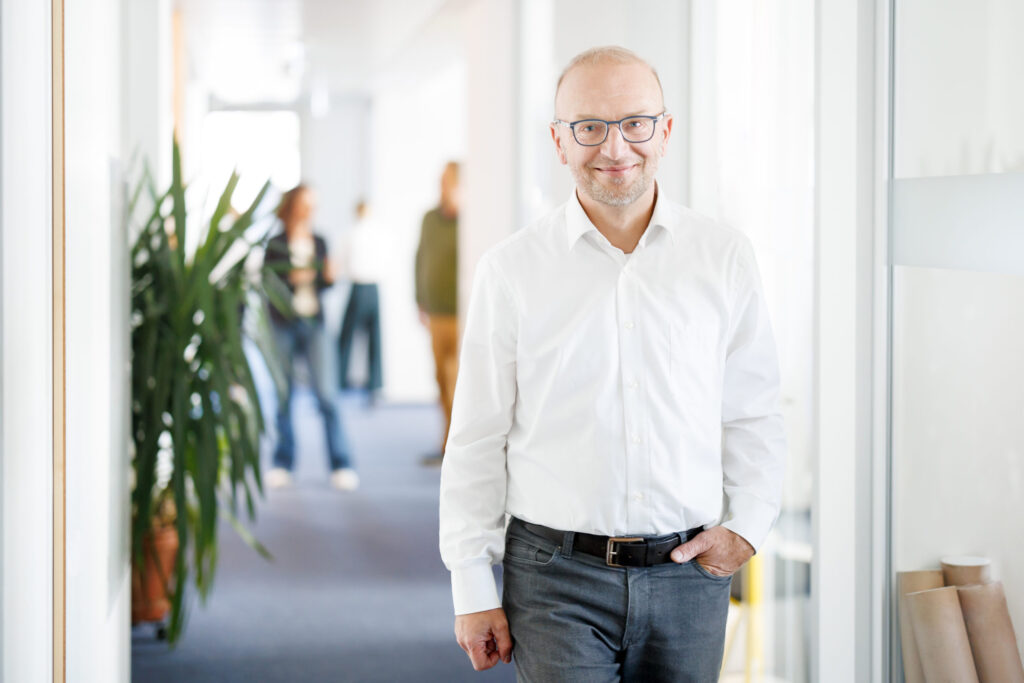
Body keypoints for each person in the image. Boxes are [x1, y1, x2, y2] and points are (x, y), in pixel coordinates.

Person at [438, 46, 786, 681]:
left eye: (635, 123)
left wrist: (750, 525)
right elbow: (477, 435)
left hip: (690, 572)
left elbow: (755, 411)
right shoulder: (512, 270)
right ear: (559, 141)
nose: (616, 147)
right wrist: (471, 586)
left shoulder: (723, 257)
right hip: (554, 580)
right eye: (589, 127)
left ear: (666, 130)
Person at [263, 184, 359, 492]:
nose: (309, 210)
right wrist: (293, 280)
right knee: (283, 395)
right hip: (283, 325)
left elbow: (324, 284)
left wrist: (325, 277)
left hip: (314, 323)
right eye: (305, 203)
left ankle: (341, 463)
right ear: (292, 206)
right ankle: (283, 461)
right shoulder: (276, 244)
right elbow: (270, 284)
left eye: (312, 204)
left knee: (328, 394)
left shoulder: (319, 241)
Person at [414, 162, 460, 466]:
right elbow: (420, 258)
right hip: (435, 313)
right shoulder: (430, 218)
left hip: (462, 314)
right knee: (440, 380)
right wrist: (419, 299)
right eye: (441, 180)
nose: (442, 186)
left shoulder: (470, 220)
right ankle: (446, 443)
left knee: (455, 379)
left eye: (448, 181)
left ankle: (458, 448)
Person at [337, 199, 385, 398]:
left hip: (359, 287)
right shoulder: (379, 234)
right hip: (373, 288)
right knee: (374, 339)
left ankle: (340, 380)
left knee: (347, 338)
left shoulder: (351, 234)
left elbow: (342, 262)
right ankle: (375, 384)